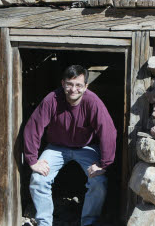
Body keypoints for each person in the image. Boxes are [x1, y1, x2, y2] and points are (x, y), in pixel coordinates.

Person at [23, 65, 117, 226]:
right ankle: (44, 223)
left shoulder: (93, 102)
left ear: (86, 86)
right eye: (69, 84)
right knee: (38, 179)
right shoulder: (52, 99)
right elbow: (34, 126)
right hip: (56, 147)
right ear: (62, 83)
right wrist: (32, 160)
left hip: (86, 147)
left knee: (99, 181)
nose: (73, 89)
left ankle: (89, 222)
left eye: (79, 85)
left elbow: (107, 130)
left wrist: (104, 163)